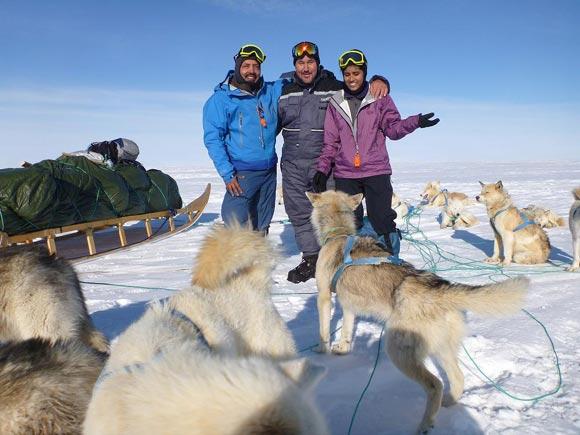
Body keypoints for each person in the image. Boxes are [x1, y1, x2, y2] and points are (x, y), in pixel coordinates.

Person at [313, 49, 439, 263]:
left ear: (364, 73)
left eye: (356, 73)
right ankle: (354, 262)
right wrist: (322, 169)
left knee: (382, 220)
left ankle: (392, 260)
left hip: (376, 170)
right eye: (347, 74)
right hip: (346, 173)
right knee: (349, 221)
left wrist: (415, 122)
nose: (352, 78)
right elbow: (331, 141)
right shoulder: (335, 102)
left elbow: (393, 130)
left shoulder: (380, 98)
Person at [279, 41, 390, 283]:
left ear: (318, 63)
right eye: (301, 63)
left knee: (336, 214)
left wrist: (380, 80)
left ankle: (341, 259)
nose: (306, 67)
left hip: (327, 163)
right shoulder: (282, 90)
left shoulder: (334, 87)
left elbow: (358, 86)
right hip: (293, 164)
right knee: (298, 213)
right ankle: (311, 259)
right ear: (295, 65)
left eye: (310, 62)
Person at [203, 44, 284, 233]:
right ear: (238, 67)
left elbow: (292, 79)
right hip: (241, 175)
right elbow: (213, 139)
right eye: (246, 65)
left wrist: (323, 76)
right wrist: (227, 173)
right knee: (235, 225)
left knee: (262, 223)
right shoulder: (221, 100)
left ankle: (256, 261)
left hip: (268, 172)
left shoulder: (269, 91)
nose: (252, 71)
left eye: (256, 66)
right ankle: (234, 262)